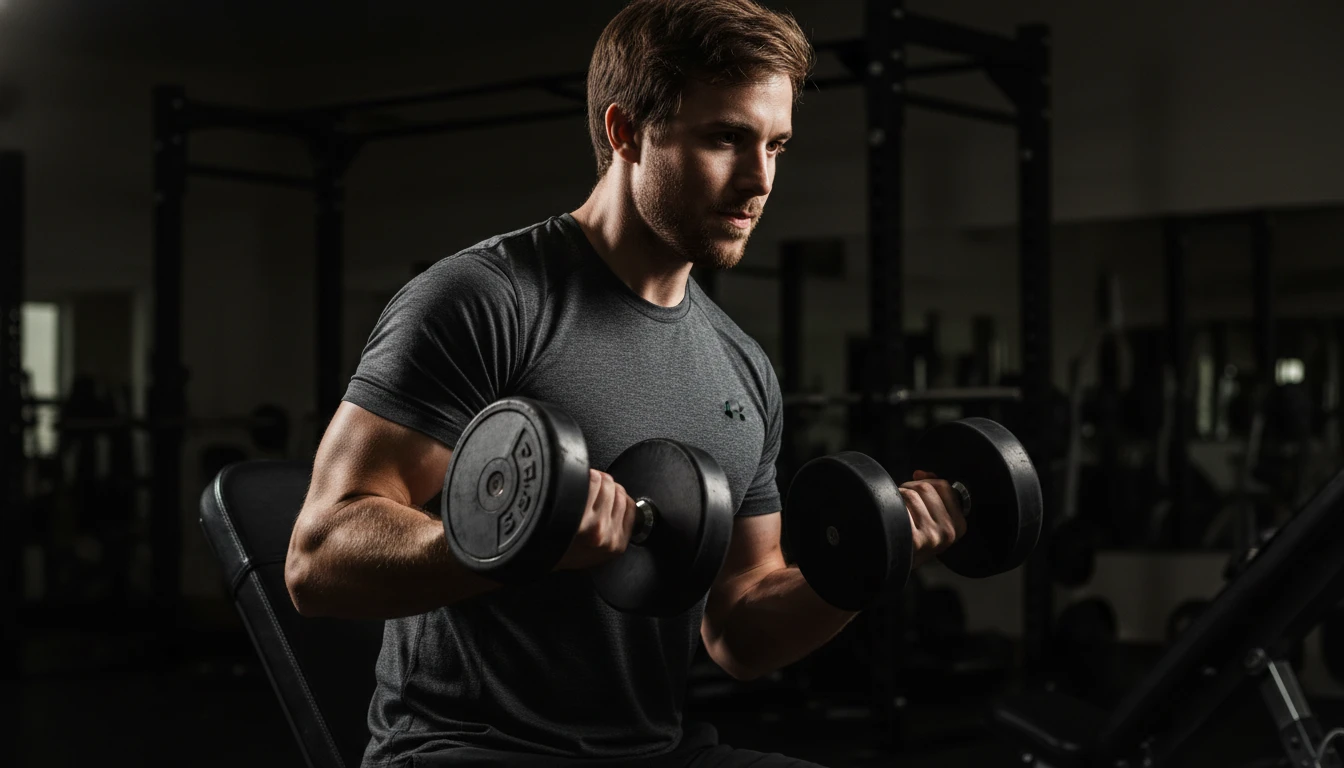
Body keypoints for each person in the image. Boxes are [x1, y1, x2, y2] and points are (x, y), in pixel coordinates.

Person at [284, 1, 967, 765]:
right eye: (724, 139)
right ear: (625, 132)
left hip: (651, 749)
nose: (760, 179)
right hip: (468, 748)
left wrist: (868, 564)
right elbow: (319, 557)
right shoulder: (488, 300)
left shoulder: (741, 367)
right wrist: (518, 545)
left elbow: (739, 630)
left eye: (776, 145)